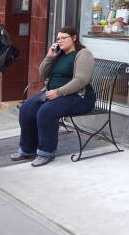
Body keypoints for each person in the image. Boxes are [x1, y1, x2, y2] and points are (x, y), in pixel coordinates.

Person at [10, 26, 96, 167]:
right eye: (58, 38)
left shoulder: (83, 54)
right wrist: (50, 56)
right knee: (26, 109)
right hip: (52, 93)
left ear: (74, 38)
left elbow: (81, 80)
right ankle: (27, 149)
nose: (60, 41)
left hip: (78, 97)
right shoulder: (58, 54)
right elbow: (43, 73)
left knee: (46, 112)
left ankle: (46, 152)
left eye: (63, 38)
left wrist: (58, 92)